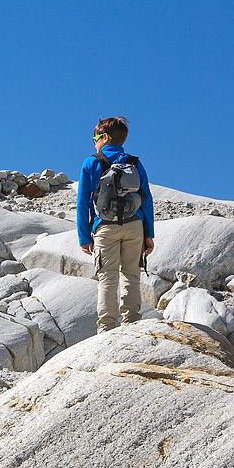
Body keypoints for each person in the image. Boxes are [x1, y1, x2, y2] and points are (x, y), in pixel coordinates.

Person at [76, 116, 155, 332]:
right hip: (135, 225)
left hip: (105, 227)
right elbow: (146, 199)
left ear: (104, 137)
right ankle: (132, 322)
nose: (93, 141)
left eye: (95, 137)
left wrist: (84, 237)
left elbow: (83, 202)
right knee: (131, 274)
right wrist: (149, 233)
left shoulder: (91, 162)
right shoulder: (134, 163)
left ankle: (107, 327)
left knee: (107, 277)